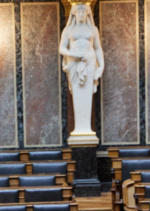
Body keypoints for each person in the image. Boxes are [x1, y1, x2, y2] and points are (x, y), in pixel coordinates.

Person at [59, 4, 104, 140]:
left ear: (87, 14)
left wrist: (101, 65)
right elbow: (61, 48)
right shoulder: (68, 30)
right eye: (79, 12)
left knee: (87, 93)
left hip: (89, 61)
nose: (81, 14)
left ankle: (86, 129)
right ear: (74, 14)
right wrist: (73, 55)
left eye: (84, 12)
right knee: (78, 94)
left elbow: (97, 48)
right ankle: (79, 128)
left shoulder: (93, 29)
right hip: (74, 63)